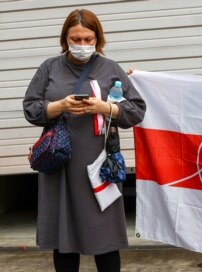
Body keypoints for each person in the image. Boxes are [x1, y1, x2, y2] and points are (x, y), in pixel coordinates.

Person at [23, 9, 146, 272]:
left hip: (99, 163)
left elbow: (136, 110)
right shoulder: (49, 67)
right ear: (65, 39)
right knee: (63, 236)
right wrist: (58, 106)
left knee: (105, 236)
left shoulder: (110, 68)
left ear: (97, 39)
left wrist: (105, 108)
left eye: (88, 39)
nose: (82, 45)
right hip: (60, 164)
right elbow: (30, 108)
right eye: (75, 39)